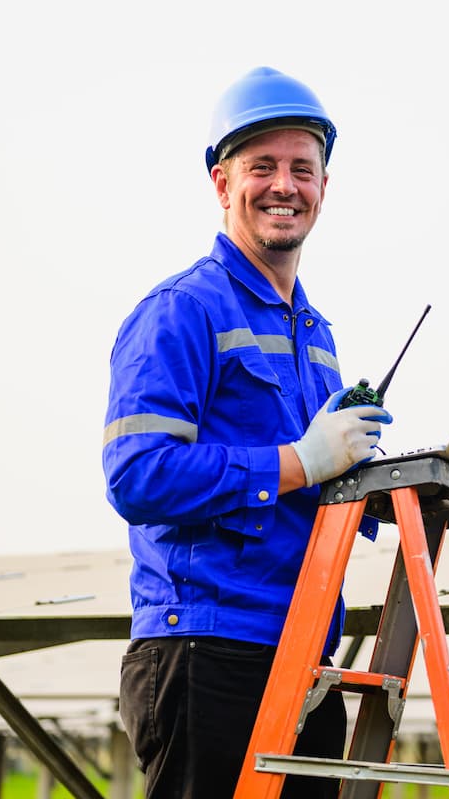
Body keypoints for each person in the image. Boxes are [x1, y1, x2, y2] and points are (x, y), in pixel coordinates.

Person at [102, 66, 390, 799]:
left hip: (304, 659)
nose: (284, 185)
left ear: (326, 186)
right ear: (220, 182)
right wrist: (298, 460)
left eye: (303, 168)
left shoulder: (316, 334)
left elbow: (318, 478)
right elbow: (137, 474)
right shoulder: (182, 311)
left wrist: (378, 477)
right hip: (207, 650)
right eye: (262, 166)